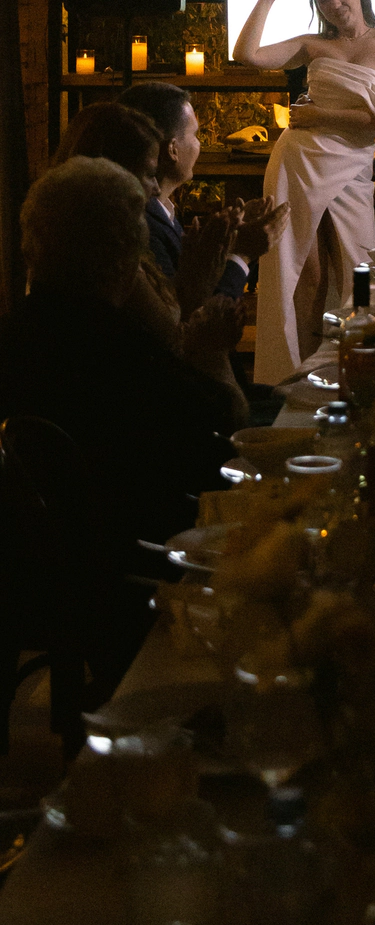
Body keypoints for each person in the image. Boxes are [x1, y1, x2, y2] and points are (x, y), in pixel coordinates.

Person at [0, 158, 236, 570]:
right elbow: (224, 447)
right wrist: (211, 353)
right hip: (130, 577)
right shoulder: (127, 355)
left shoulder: (12, 338)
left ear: (29, 249)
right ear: (127, 262)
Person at [232, 0, 375, 385]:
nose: (334, 4)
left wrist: (319, 115)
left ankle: (354, 369)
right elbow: (246, 54)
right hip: (299, 162)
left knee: (357, 268)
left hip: (352, 167)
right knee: (303, 274)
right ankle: (301, 377)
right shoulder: (311, 44)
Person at [54, 102, 249, 423]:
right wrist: (215, 273)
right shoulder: (121, 270)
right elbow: (213, 403)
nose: (157, 187)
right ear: (114, 177)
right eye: (148, 173)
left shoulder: (67, 254)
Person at [120, 81, 288, 317]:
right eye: (195, 135)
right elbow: (190, 317)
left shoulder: (160, 211)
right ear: (172, 149)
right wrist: (242, 254)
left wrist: (227, 240)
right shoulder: (143, 226)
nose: (199, 144)